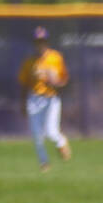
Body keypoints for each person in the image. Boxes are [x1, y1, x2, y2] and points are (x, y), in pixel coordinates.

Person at [17, 26, 71, 172]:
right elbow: (24, 84)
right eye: (37, 41)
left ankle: (61, 142)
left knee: (51, 132)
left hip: (51, 98)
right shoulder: (29, 63)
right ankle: (44, 163)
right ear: (34, 43)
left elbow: (64, 79)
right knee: (36, 135)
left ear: (46, 41)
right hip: (34, 99)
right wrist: (22, 103)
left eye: (42, 41)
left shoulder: (55, 57)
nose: (40, 44)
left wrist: (55, 81)